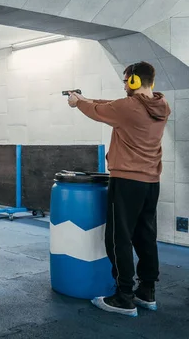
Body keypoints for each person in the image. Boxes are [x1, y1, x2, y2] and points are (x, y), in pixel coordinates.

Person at [67, 61, 171, 317]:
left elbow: (97, 110)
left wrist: (77, 102)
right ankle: (146, 291)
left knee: (118, 237)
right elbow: (111, 104)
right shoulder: (162, 105)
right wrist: (86, 97)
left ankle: (124, 296)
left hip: (126, 181)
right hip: (150, 182)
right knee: (145, 236)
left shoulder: (128, 107)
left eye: (126, 81)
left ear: (135, 81)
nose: (124, 85)